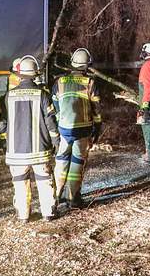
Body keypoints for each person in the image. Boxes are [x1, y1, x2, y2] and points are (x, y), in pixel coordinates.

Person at [0, 55, 59, 223]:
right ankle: (48, 213)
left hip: (16, 151)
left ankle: (23, 215)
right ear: (35, 75)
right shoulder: (43, 95)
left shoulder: (8, 96)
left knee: (20, 183)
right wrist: (55, 141)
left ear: (19, 75)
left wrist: (5, 142)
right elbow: (50, 122)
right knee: (44, 180)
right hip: (40, 150)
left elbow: (2, 124)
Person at [52, 48, 102, 208]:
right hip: (83, 129)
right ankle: (72, 198)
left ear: (72, 63)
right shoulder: (90, 83)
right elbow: (96, 109)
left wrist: (58, 125)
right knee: (77, 161)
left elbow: (55, 106)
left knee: (61, 159)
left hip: (64, 128)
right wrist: (97, 127)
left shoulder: (59, 82)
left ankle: (56, 195)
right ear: (87, 65)